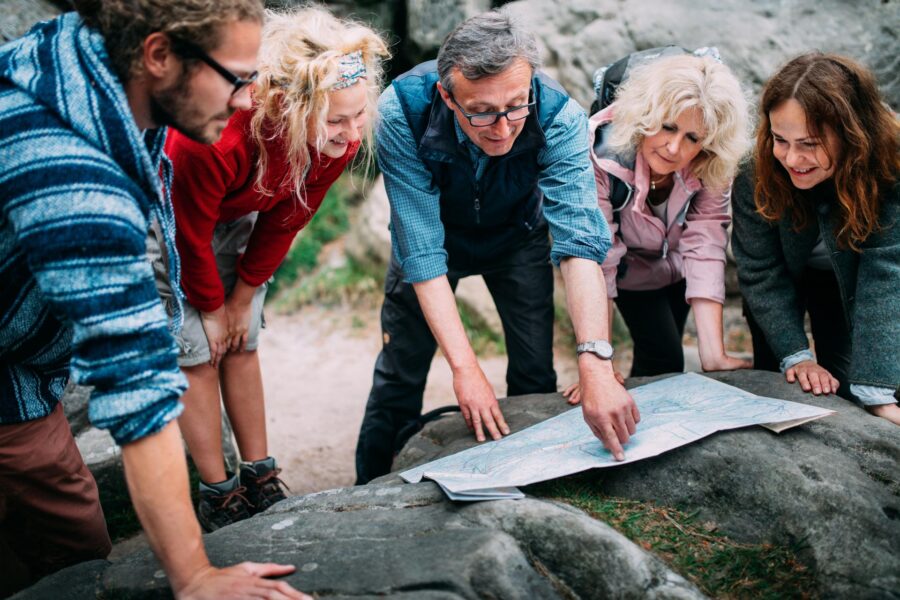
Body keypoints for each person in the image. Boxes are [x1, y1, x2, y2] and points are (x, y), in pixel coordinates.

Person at [0, 1, 310, 598]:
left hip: (22, 351)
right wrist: (194, 575)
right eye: (239, 78)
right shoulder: (74, 184)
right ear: (160, 54)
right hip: (9, 382)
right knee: (75, 551)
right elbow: (136, 387)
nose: (248, 101)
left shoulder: (81, 59)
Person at [355, 9, 639, 485]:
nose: (504, 128)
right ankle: (367, 491)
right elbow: (422, 253)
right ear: (447, 94)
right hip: (431, 235)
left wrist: (595, 361)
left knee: (533, 372)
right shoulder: (401, 109)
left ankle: (542, 481)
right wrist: (465, 369)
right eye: (482, 111)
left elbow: (580, 242)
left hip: (517, 236)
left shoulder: (557, 114)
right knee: (400, 376)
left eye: (515, 106)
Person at [163, 6, 389, 531]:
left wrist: (242, 298)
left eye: (360, 116)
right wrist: (212, 308)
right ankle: (217, 492)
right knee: (198, 350)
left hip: (238, 210)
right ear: (289, 105)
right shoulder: (216, 138)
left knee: (242, 341)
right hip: (169, 220)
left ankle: (259, 475)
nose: (353, 134)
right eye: (337, 119)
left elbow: (289, 217)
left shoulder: (335, 139)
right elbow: (189, 234)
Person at [563, 53, 752, 403]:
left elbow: (707, 238)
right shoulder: (600, 153)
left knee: (662, 358)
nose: (674, 147)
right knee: (665, 354)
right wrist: (598, 363)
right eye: (667, 126)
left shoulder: (714, 160)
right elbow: (599, 255)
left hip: (679, 267)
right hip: (630, 270)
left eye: (692, 137)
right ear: (646, 114)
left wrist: (714, 355)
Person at [732, 52, 900, 425]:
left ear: (851, 133)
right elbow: (761, 272)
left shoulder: (890, 163)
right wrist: (797, 355)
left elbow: (885, 270)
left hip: (857, 277)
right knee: (783, 383)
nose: (792, 158)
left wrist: (876, 390)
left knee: (855, 387)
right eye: (780, 139)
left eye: (809, 143)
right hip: (780, 282)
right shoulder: (752, 173)